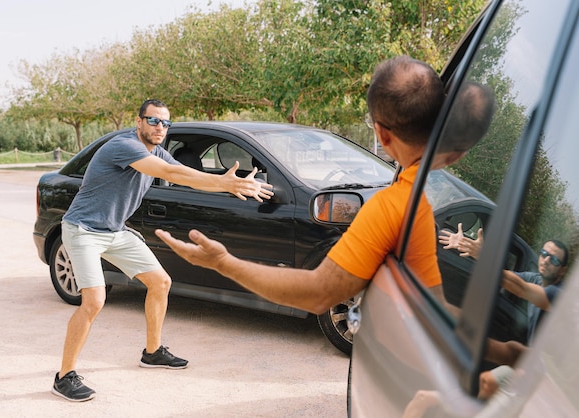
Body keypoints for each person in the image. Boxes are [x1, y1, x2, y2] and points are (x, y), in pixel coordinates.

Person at [155, 55, 451, 320]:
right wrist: (499, 349)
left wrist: (224, 262)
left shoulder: (395, 202)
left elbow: (320, 292)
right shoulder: (443, 185)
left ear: (381, 135)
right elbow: (436, 309)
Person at [52, 99, 273, 402]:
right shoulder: (125, 146)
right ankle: (64, 376)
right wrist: (223, 182)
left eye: (165, 123)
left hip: (115, 231)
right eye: (153, 121)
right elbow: (172, 174)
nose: (160, 128)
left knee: (161, 281)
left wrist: (229, 185)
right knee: (94, 301)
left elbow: (184, 174)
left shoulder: (157, 150)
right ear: (139, 121)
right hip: (83, 230)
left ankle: (152, 352)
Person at [440, 227, 568, 341]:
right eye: (544, 253)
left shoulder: (558, 294)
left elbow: (520, 288)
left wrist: (483, 256)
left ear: (562, 270)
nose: (546, 260)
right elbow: (504, 276)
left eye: (555, 260)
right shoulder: (535, 279)